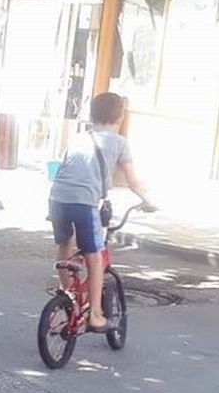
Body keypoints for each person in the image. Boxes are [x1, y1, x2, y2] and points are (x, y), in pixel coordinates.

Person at [49, 92, 155, 332]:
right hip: (84, 202)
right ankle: (95, 315)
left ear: (91, 115)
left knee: (65, 244)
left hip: (57, 197)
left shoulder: (77, 138)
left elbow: (68, 166)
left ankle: (66, 295)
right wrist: (148, 200)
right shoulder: (119, 142)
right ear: (120, 116)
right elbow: (132, 181)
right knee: (94, 256)